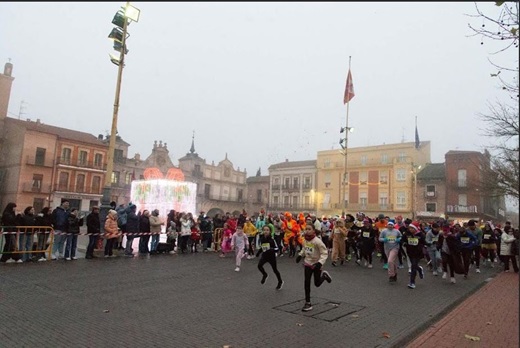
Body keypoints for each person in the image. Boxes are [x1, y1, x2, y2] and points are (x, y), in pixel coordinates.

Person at [295, 224, 332, 312]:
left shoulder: (317, 241)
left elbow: (324, 253)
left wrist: (320, 263)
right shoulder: (304, 240)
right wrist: (300, 255)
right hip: (307, 263)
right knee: (306, 283)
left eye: (309, 229)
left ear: (313, 231)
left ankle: (324, 276)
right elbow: (304, 249)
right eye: (306, 229)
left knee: (317, 283)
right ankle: (308, 302)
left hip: (316, 264)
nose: (307, 230)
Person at [256, 225, 284, 290]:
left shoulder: (272, 240)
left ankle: (280, 281)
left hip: (271, 257)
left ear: (270, 231)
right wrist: (258, 253)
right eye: (264, 230)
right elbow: (262, 247)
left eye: (267, 230)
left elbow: (277, 248)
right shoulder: (262, 238)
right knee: (259, 266)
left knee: (275, 270)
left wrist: (272, 249)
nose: (265, 231)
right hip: (264, 256)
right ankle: (265, 274)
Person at [402, 222, 426, 289]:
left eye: (412, 228)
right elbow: (402, 240)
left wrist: (424, 245)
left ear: (415, 228)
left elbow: (424, 242)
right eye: (410, 228)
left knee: (413, 266)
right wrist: (404, 243)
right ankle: (420, 269)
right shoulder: (407, 234)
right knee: (414, 265)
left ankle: (412, 282)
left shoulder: (420, 234)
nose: (410, 229)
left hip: (418, 253)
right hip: (410, 252)